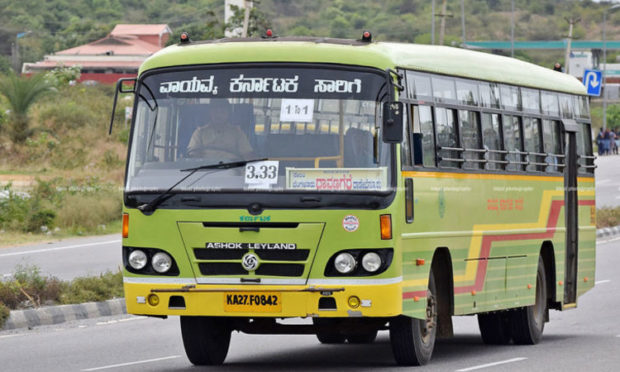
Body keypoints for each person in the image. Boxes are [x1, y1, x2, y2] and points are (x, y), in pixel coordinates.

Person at [186, 99, 254, 160]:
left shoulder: (237, 133)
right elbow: (193, 154)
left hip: (232, 169)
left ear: (228, 114)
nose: (218, 115)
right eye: (215, 111)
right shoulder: (200, 132)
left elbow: (248, 155)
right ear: (210, 113)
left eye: (222, 112)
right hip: (203, 169)